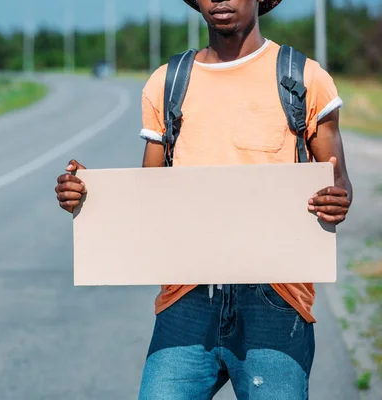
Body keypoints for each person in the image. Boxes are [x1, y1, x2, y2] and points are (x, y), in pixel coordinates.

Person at [54, 0, 353, 398]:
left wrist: (337, 199)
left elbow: (339, 181)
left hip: (277, 300)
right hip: (186, 298)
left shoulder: (303, 78)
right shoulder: (168, 82)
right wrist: (88, 197)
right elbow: (150, 195)